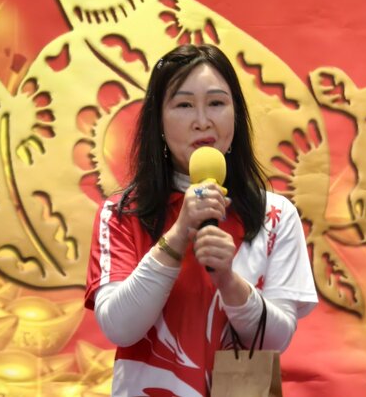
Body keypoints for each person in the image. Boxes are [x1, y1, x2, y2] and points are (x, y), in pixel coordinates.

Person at [84, 43, 318, 396]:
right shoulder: (122, 214)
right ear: (158, 122)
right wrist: (178, 235)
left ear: (236, 114)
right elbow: (120, 328)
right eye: (184, 105)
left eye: (216, 103)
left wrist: (228, 281)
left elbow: (276, 339)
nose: (202, 121)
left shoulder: (274, 215)